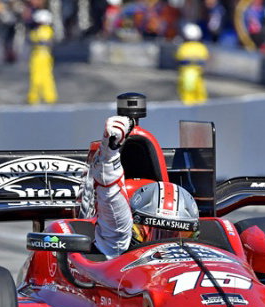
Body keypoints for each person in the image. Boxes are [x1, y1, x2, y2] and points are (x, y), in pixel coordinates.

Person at [82, 97, 199, 258]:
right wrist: (108, 155)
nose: (165, 246)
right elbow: (110, 194)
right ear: (134, 226)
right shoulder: (117, 242)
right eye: (155, 234)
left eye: (177, 236)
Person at [27, 9, 57, 104]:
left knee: (39, 78)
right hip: (41, 56)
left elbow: (38, 40)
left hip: (41, 56)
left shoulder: (44, 30)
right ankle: (46, 97)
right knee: (43, 77)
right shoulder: (44, 30)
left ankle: (38, 98)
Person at [176, 23, 209, 105]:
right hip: (198, 76)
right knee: (200, 96)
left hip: (185, 76)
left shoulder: (183, 48)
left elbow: (178, 60)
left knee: (187, 97)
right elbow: (206, 60)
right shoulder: (202, 47)